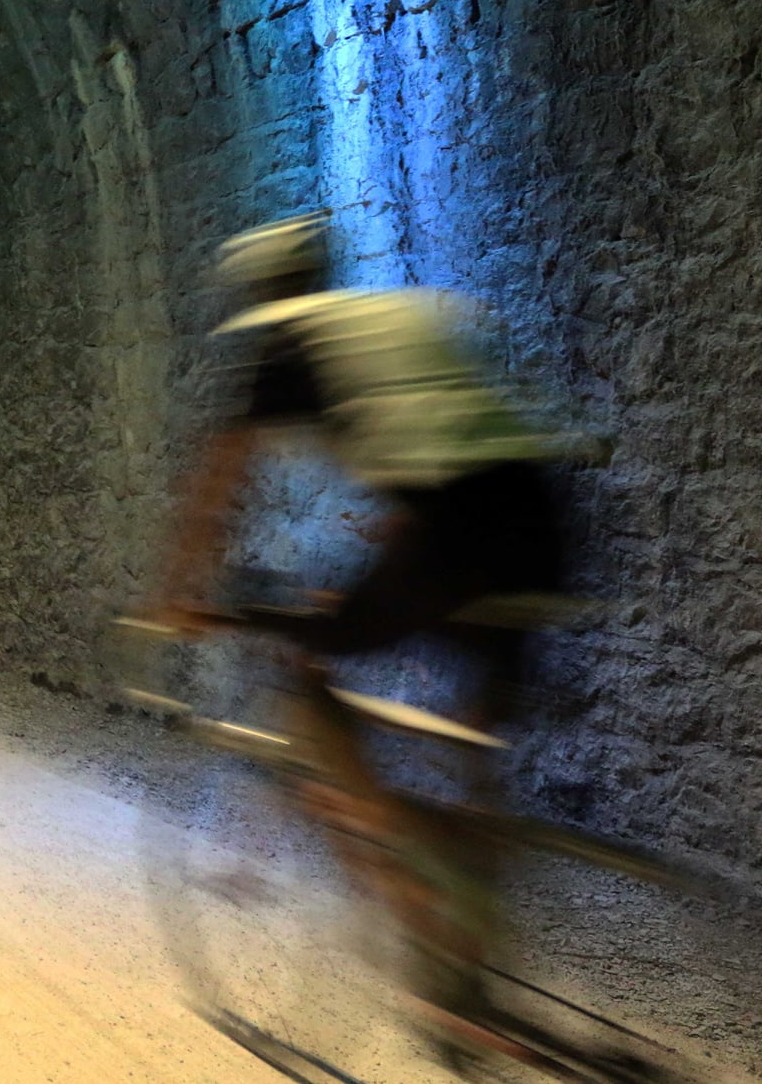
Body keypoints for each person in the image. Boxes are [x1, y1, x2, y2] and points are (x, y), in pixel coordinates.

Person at [142, 210, 586, 1053]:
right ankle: (462, 980)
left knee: (307, 662)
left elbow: (216, 487)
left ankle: (390, 837)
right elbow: (452, 440)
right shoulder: (397, 320)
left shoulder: (284, 344)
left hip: (455, 535)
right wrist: (392, 544)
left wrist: (179, 597)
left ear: (261, 291)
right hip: (543, 527)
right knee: (475, 745)